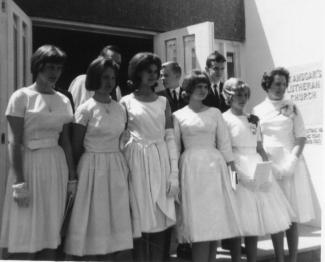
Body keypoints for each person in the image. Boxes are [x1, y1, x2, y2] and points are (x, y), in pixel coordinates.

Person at [0, 45, 76, 259]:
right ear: (38, 66)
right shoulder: (21, 96)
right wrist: (20, 182)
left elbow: (66, 141)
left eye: (59, 68)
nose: (55, 73)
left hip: (55, 166)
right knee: (25, 227)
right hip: (29, 166)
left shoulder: (63, 100)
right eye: (50, 67)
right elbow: (14, 141)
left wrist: (72, 177)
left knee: (51, 226)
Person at [64, 57, 138, 259]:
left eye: (113, 78)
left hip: (116, 166)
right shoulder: (85, 109)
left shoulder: (119, 108)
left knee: (115, 219)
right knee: (95, 220)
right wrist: (76, 175)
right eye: (104, 77)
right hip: (92, 169)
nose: (109, 82)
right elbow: (77, 146)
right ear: (95, 78)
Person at [222, 78, 294, 262]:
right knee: (240, 220)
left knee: (264, 218)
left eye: (246, 95)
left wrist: (267, 169)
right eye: (238, 94)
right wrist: (239, 178)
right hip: (235, 167)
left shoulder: (253, 119)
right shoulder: (224, 119)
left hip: (257, 168)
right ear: (228, 96)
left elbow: (260, 148)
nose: (243, 98)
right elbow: (226, 151)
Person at [173, 70, 242, 262]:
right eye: (198, 87)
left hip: (216, 170)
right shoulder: (178, 115)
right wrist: (175, 178)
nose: (202, 90)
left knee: (215, 224)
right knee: (200, 226)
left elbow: (225, 146)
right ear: (188, 90)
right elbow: (175, 149)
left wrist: (234, 181)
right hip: (192, 171)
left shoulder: (215, 112)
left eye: (205, 86)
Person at [253, 67, 316, 262]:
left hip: (291, 163)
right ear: (267, 85)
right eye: (277, 83)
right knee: (276, 215)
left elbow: (301, 137)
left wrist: (290, 164)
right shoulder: (257, 109)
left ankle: (293, 258)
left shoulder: (292, 107)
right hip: (269, 163)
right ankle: (280, 258)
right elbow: (258, 141)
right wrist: (268, 164)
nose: (281, 88)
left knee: (292, 216)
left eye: (283, 84)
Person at [120, 52, 178, 262]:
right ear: (137, 73)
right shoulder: (125, 101)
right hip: (135, 161)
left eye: (156, 72)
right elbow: (121, 135)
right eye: (148, 71)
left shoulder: (163, 102)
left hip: (160, 159)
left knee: (160, 218)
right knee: (139, 218)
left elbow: (170, 137)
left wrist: (174, 174)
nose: (153, 76)